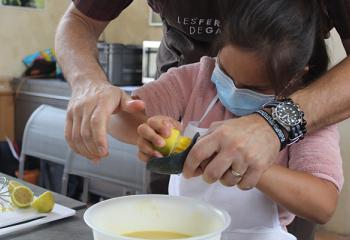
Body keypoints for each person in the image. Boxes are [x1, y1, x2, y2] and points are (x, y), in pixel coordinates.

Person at [55, 0, 349, 239]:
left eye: (255, 88)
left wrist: (253, 167)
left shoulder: (309, 114)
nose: (232, 89)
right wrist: (145, 131)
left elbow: (322, 205)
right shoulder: (197, 79)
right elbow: (124, 117)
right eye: (226, 71)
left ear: (297, 76)